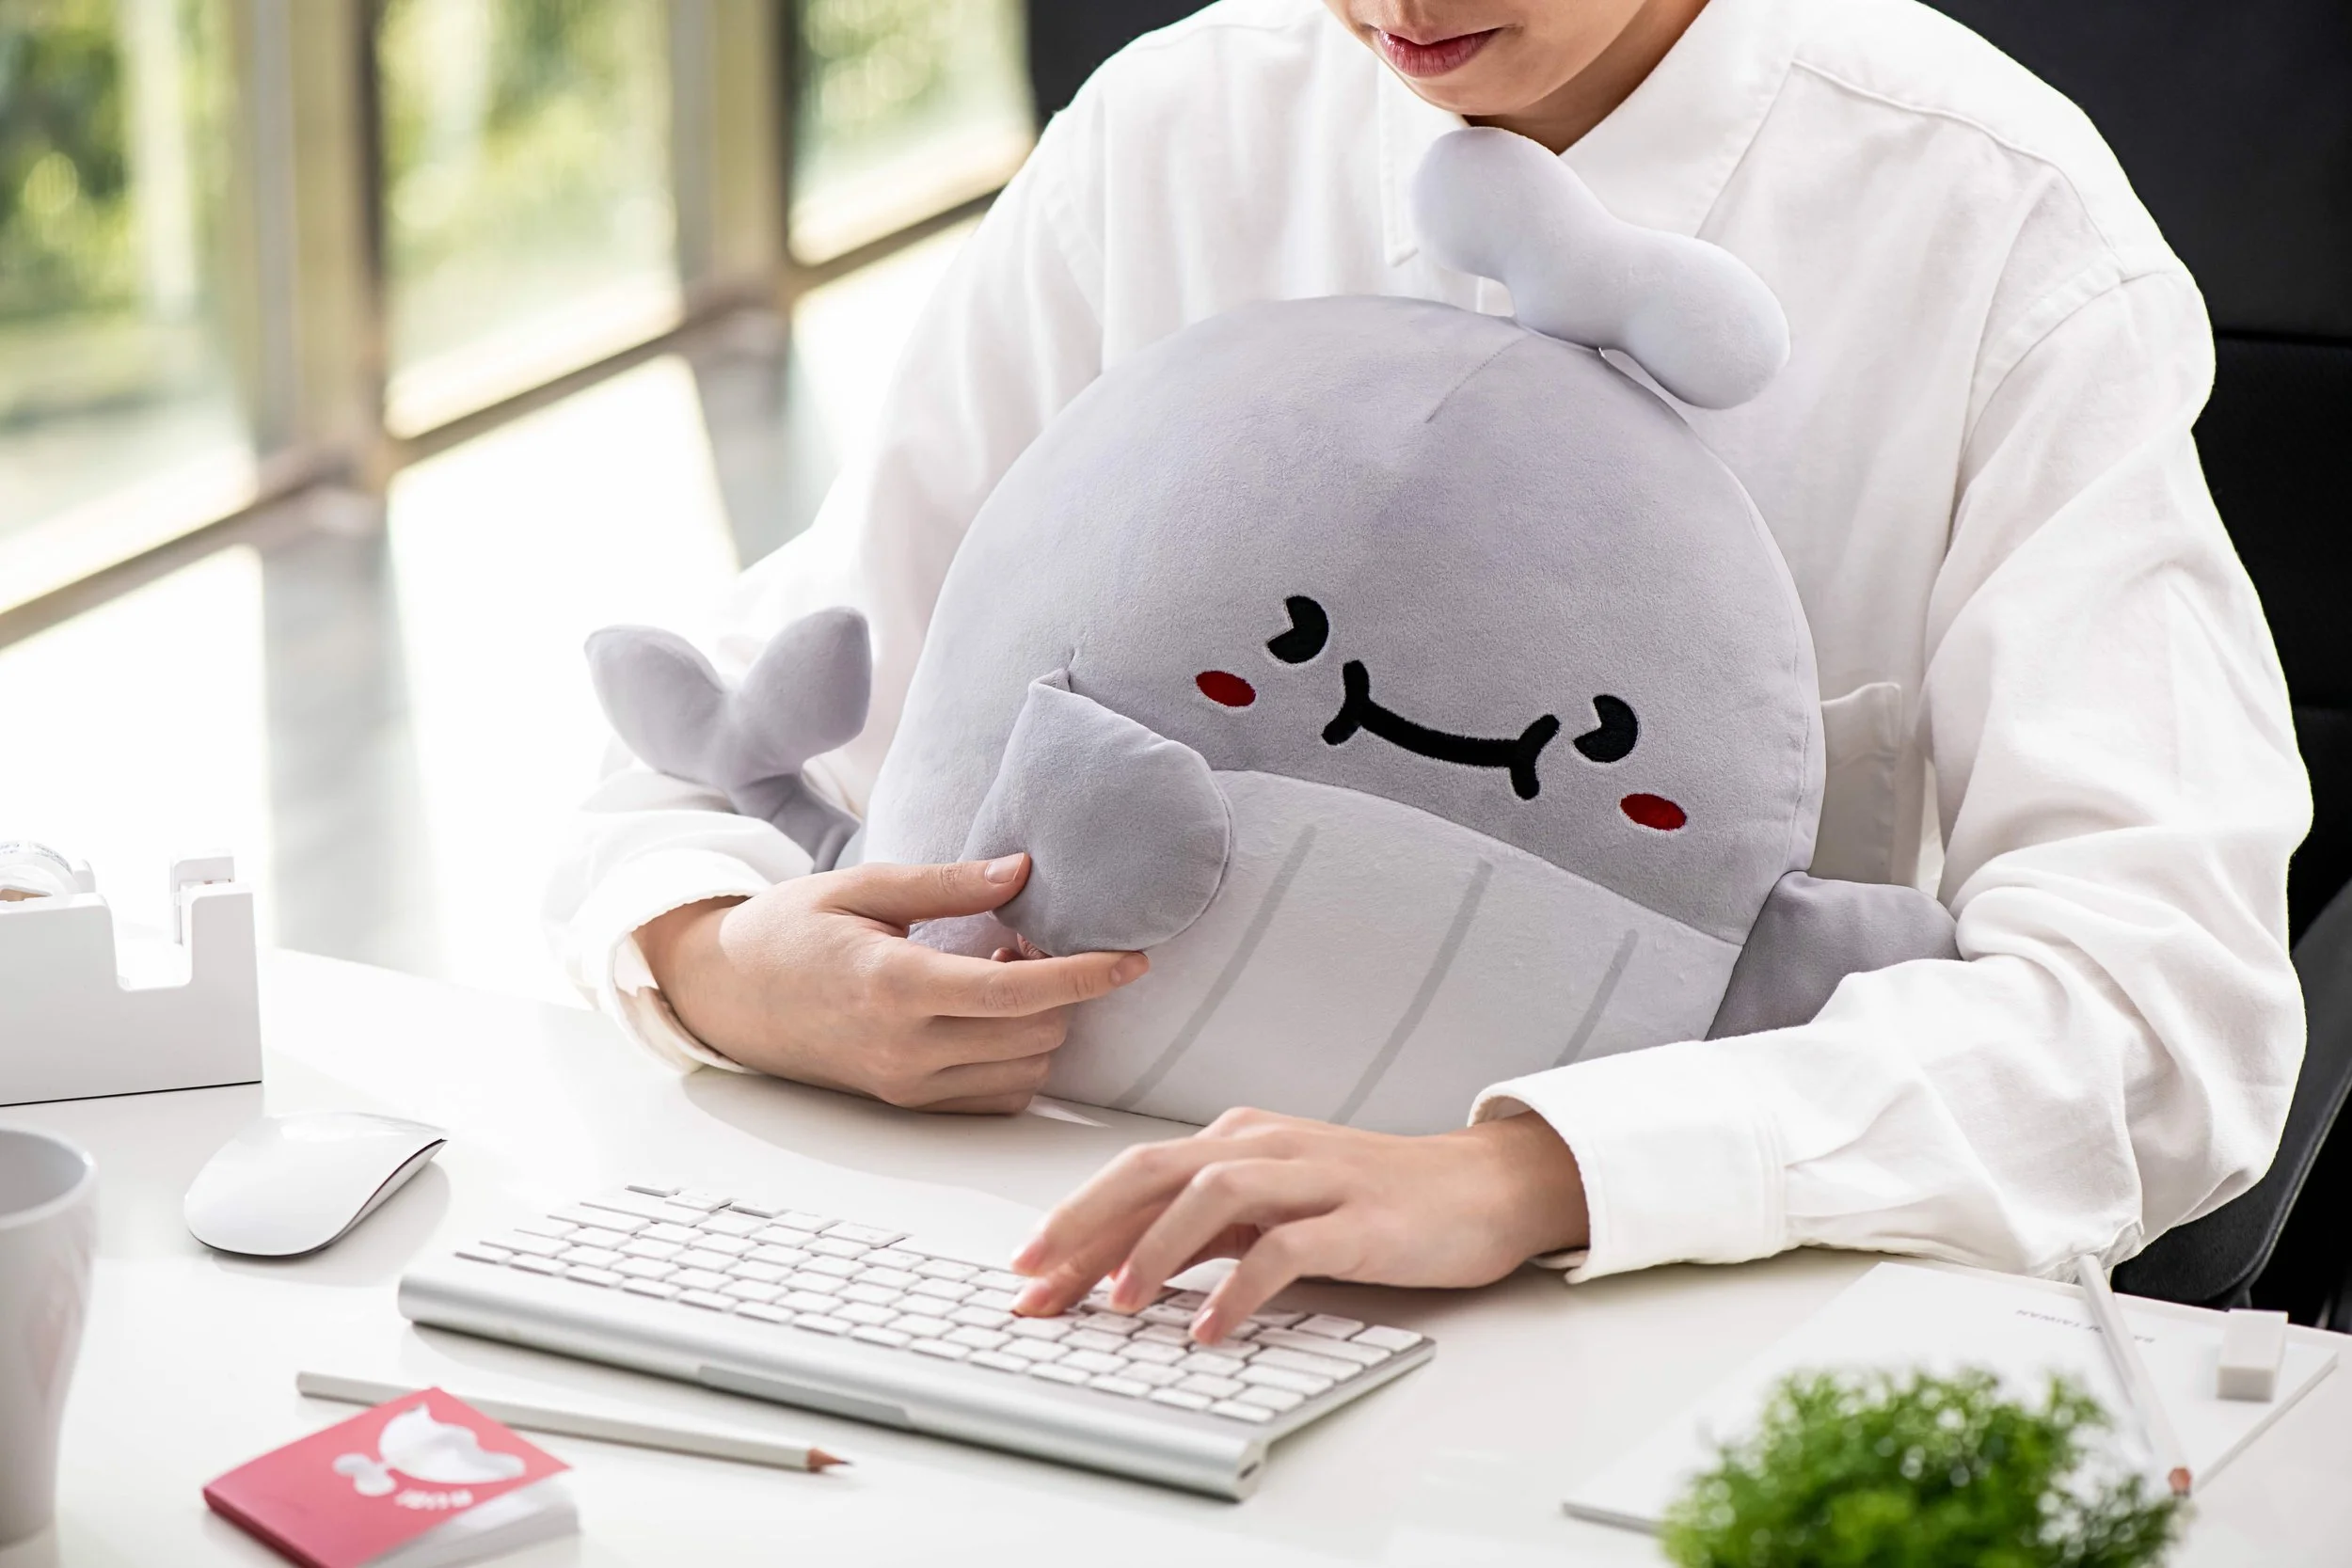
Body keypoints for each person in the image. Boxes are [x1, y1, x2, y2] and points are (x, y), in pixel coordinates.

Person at [546, 0, 2308, 1344]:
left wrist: (1534, 1172)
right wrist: (717, 961)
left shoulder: (1999, 230)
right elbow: (754, 709)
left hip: (1675, 1310)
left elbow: (2165, 1014)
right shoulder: (1179, 132)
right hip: (1079, 1270)